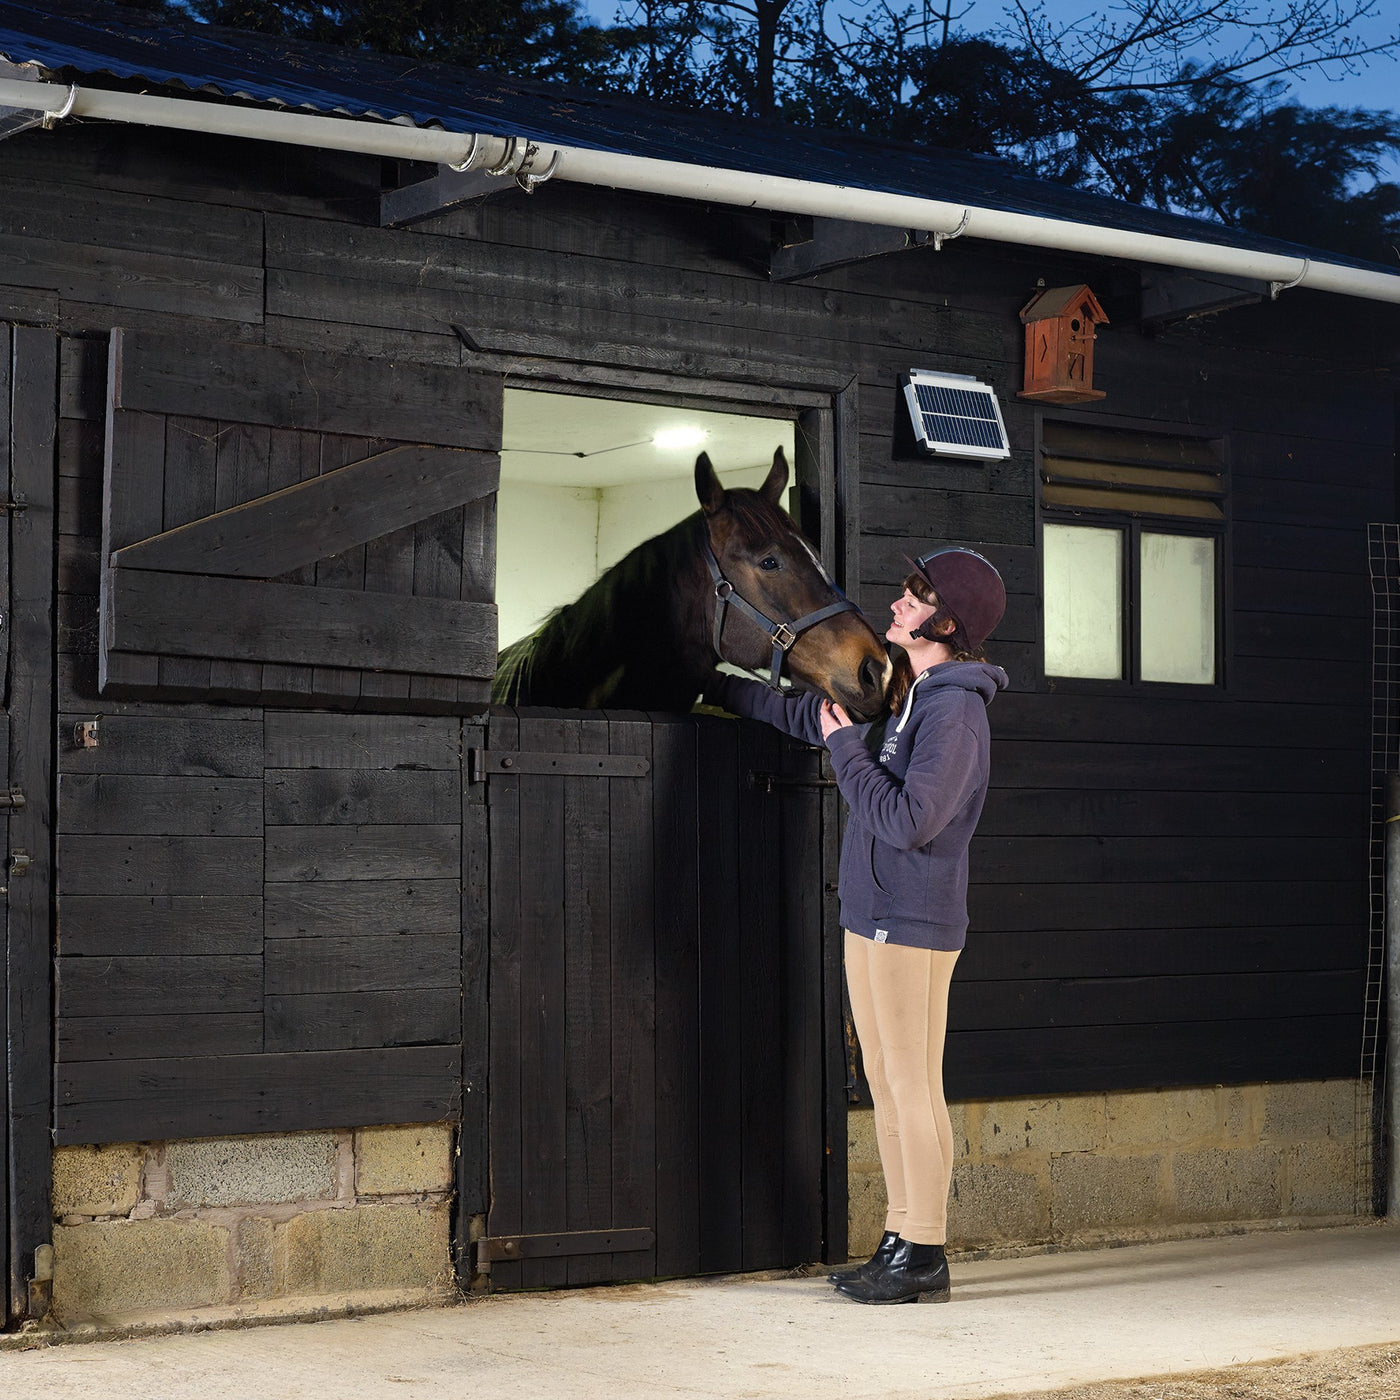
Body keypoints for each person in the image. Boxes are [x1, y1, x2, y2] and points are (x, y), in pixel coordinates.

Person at [703, 546, 1008, 1305]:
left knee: (911, 1084)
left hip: (913, 919)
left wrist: (844, 749)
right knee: (883, 1080)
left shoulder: (955, 711)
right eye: (908, 591)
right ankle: (901, 1238)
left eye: (917, 595)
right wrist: (713, 688)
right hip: (870, 914)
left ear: (946, 621)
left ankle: (924, 1249)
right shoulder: (903, 691)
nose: (898, 604)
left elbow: (908, 821)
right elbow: (807, 714)